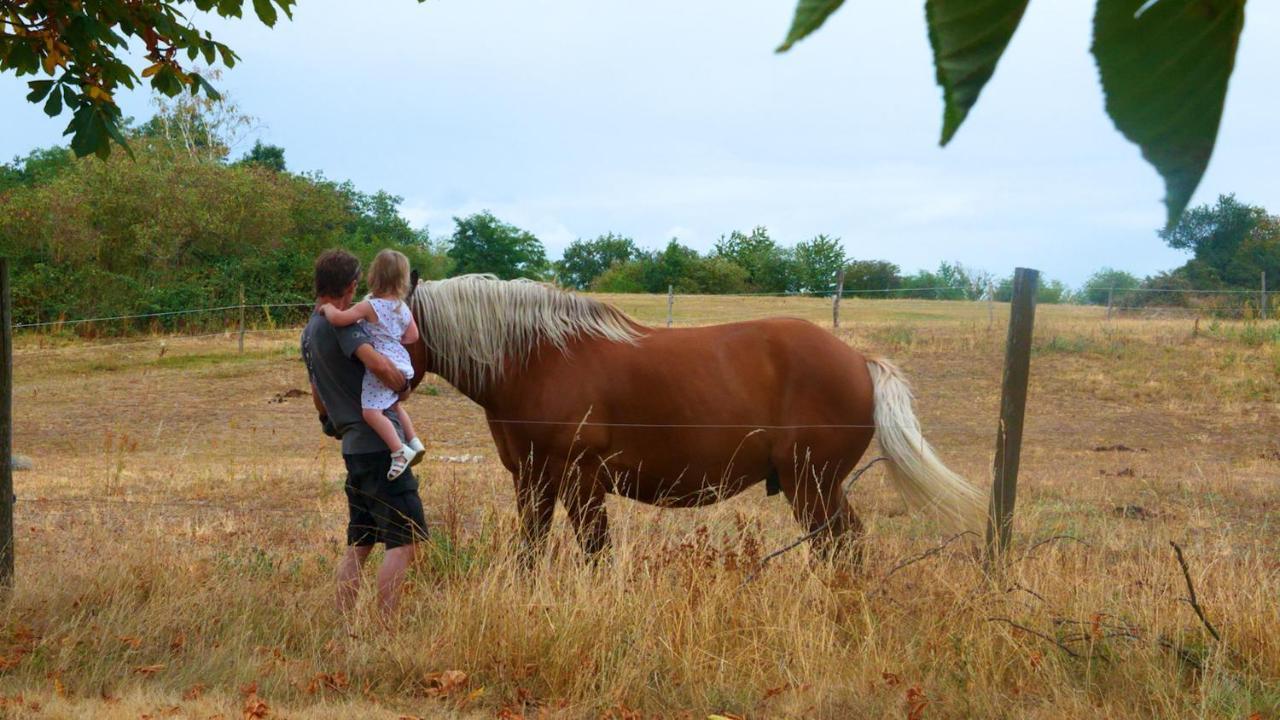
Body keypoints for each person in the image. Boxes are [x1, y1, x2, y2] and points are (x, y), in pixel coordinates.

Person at [301, 248, 426, 619]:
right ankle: (385, 629)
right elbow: (378, 364)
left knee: (361, 541)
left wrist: (338, 422)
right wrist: (401, 385)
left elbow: (317, 396)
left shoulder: (309, 330)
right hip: (379, 448)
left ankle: (344, 623)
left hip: (354, 449)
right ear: (352, 284)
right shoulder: (346, 325)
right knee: (404, 540)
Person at [319, 249, 424, 480]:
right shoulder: (402, 307)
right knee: (394, 405)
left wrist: (328, 309)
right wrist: (394, 340)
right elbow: (413, 336)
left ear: (373, 277)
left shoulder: (370, 306)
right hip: (402, 361)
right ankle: (414, 441)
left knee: (371, 412)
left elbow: (340, 320)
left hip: (384, 363)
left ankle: (399, 451)